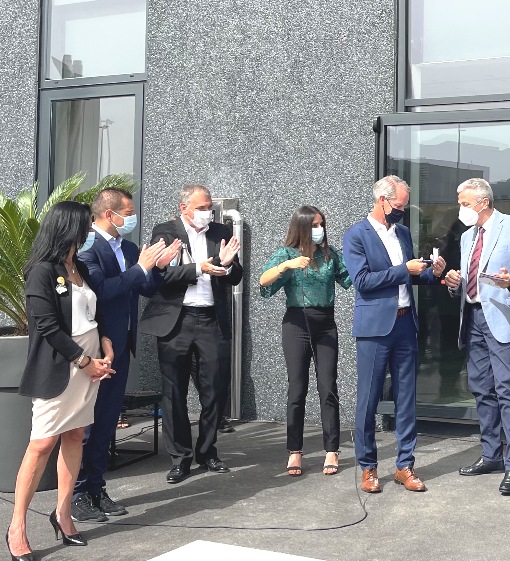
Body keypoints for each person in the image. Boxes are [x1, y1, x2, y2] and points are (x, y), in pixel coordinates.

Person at [7, 201, 116, 561]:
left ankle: (64, 514)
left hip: (89, 367)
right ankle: (17, 527)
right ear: (69, 227)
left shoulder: (78, 266)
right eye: (86, 225)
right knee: (41, 444)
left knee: (74, 436)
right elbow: (48, 326)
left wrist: (106, 346)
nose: (89, 231)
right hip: (60, 368)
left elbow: (94, 314)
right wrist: (84, 361)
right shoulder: (41, 271)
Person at [71, 188, 181, 522]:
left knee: (106, 421)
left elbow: (144, 288)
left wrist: (157, 267)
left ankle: (96, 487)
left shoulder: (130, 248)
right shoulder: (89, 247)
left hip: (121, 345)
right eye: (128, 212)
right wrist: (140, 268)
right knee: (86, 425)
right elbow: (102, 291)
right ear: (109, 214)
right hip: (95, 346)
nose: (132, 218)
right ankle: (77, 494)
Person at [442, 178, 510, 496]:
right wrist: (455, 282)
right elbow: (469, 279)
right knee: (481, 389)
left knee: (506, 390)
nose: (460, 209)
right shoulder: (467, 236)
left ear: (483, 202)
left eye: (464, 204)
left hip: (502, 320)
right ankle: (491, 455)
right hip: (473, 318)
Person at [342, 176, 446, 493]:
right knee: (368, 399)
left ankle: (405, 466)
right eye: (399, 206)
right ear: (382, 201)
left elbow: (410, 278)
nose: (402, 211)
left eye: (404, 206)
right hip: (374, 328)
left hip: (404, 324)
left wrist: (432, 273)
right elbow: (362, 281)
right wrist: (405, 270)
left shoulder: (401, 233)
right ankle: (368, 468)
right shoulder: (356, 235)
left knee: (406, 399)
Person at [139, 184, 243, 484]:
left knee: (216, 389)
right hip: (177, 320)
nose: (206, 212)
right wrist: (199, 269)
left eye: (209, 207)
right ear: (184, 208)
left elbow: (236, 275)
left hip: (211, 319)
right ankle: (180, 458)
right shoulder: (165, 232)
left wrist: (227, 265)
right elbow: (160, 276)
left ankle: (207, 451)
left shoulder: (220, 231)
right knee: (174, 392)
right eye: (200, 208)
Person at [259, 205, 351, 476]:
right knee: (297, 388)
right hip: (296, 323)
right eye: (314, 225)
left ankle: (332, 449)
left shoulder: (330, 254)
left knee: (328, 386)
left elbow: (351, 278)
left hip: (325, 323)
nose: (319, 230)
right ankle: (295, 451)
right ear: (301, 227)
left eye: (321, 224)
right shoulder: (287, 254)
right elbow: (264, 281)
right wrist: (286, 266)